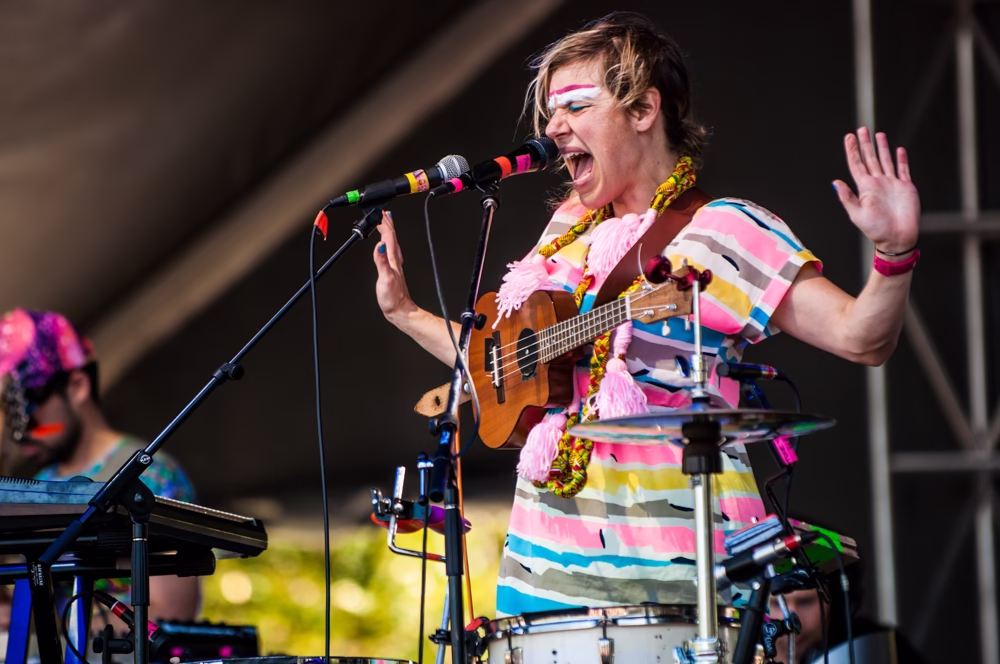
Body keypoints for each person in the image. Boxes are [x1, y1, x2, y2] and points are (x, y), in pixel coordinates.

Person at [371, 12, 919, 618]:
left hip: (684, 583)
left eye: (576, 107)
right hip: (543, 578)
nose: (553, 129)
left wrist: (894, 253)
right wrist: (404, 312)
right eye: (551, 112)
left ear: (643, 111)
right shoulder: (562, 234)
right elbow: (498, 367)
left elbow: (862, 337)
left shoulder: (724, 231)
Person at [0, 308, 201, 628]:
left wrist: (44, 623)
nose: (19, 432)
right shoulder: (39, 484)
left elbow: (170, 614)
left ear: (76, 386)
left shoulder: (152, 475)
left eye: (27, 409)